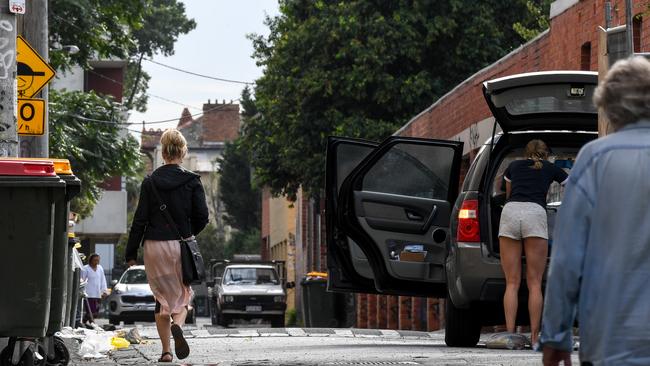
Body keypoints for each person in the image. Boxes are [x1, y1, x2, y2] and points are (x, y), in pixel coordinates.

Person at [541, 57, 650, 365]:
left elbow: (566, 261)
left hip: (610, 343)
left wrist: (556, 336)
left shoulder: (593, 161)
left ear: (609, 107)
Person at [125, 128, 209, 363]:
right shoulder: (192, 181)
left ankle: (166, 352)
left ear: (163, 153)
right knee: (183, 295)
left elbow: (139, 219)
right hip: (179, 246)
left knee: (161, 298)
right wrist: (188, 234)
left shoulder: (150, 182)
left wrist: (131, 253)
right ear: (183, 151)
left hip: (153, 247)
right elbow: (203, 216)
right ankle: (178, 324)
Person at [498, 139, 569, 346]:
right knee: (535, 283)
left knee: (511, 282)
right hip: (535, 214)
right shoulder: (551, 168)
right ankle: (535, 336)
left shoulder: (513, 166)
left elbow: (508, 194)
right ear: (546, 154)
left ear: (526, 152)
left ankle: (510, 335)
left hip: (510, 212)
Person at [80, 253, 108, 325]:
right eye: (95, 260)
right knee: (91, 312)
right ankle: (92, 323)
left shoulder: (100, 268)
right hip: (88, 294)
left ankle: (84, 321)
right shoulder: (86, 268)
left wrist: (104, 291)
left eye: (98, 260)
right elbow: (82, 280)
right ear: (91, 260)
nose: (96, 262)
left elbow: (103, 280)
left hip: (98, 294)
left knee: (95, 313)